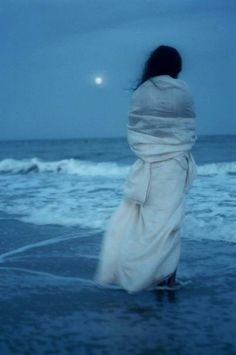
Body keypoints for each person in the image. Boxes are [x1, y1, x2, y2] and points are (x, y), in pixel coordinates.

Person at [94, 45, 197, 293]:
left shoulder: (141, 92)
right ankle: (167, 278)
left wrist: (150, 151)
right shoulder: (184, 91)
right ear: (176, 66)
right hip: (174, 169)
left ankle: (140, 272)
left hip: (148, 170)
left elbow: (135, 133)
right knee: (170, 225)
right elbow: (188, 128)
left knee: (146, 226)